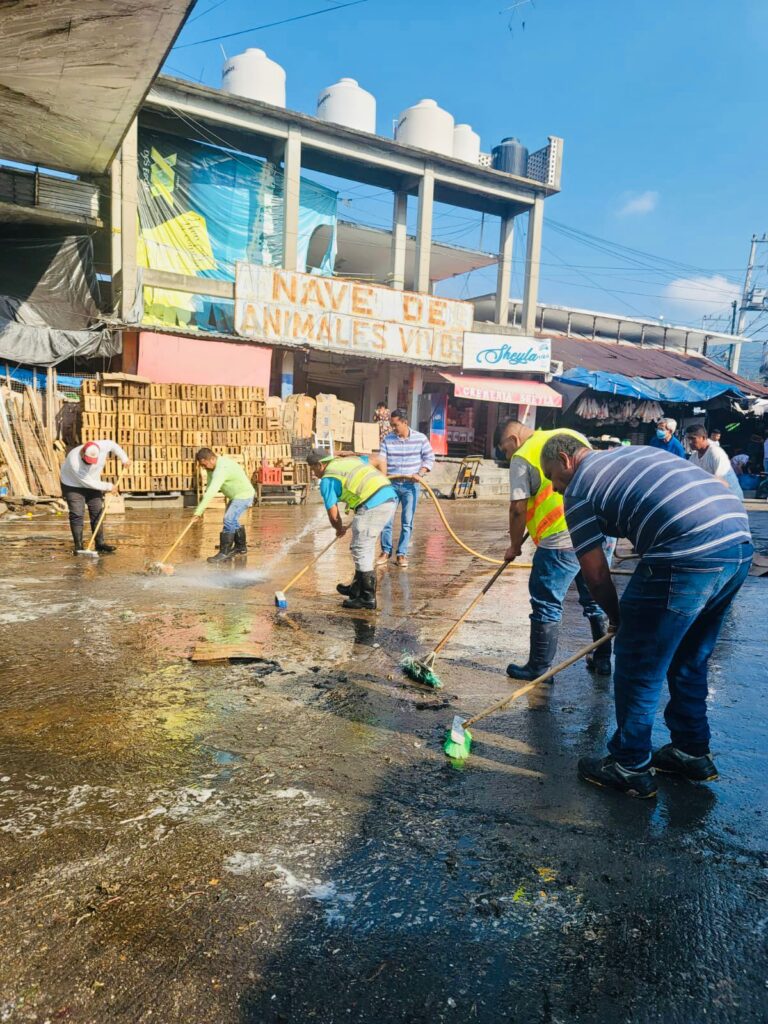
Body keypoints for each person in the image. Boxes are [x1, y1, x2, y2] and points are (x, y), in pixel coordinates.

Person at [541, 433, 752, 799]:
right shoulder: (631, 453)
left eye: (555, 480)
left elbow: (594, 576)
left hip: (688, 550)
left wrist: (618, 618)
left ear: (565, 459)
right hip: (737, 542)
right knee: (690, 656)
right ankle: (690, 751)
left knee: (640, 662)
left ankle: (628, 764)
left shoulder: (579, 489)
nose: (558, 491)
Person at [497, 418, 613, 680]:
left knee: (546, 602)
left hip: (559, 541)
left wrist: (514, 546)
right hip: (595, 528)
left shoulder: (522, 456)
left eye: (505, 449)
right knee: (595, 598)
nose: (507, 455)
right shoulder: (569, 433)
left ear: (513, 440)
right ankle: (603, 660)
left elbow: (518, 508)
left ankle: (539, 669)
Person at [307, 449, 397, 610]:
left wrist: (338, 528)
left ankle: (367, 598)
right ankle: (356, 588)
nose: (314, 473)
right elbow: (379, 459)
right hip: (387, 497)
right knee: (361, 546)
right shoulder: (349, 461)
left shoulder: (328, 479)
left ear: (320, 464)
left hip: (373, 504)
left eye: (313, 469)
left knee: (362, 548)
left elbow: (333, 513)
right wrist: (381, 481)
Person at [377, 408, 434, 569]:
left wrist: (420, 473)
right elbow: (382, 459)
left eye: (395, 425)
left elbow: (429, 458)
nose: (393, 428)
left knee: (407, 521)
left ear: (405, 422)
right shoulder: (388, 439)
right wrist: (382, 477)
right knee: (386, 520)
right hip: (391, 485)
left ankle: (401, 554)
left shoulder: (420, 438)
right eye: (391, 425)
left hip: (411, 486)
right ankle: (385, 551)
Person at [60, 440, 130, 554]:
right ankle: (78, 546)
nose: (90, 464)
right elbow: (87, 482)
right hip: (73, 484)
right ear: (83, 453)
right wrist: (108, 486)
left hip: (93, 482)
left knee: (97, 511)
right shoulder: (74, 460)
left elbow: (113, 445)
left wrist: (124, 458)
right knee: (77, 514)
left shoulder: (102, 446)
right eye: (87, 461)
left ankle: (100, 544)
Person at [194, 448, 255, 563]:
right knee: (233, 520)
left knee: (229, 519)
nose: (204, 467)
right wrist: (201, 508)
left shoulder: (222, 469)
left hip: (244, 495)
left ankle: (224, 552)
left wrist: (199, 511)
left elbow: (212, 491)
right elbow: (209, 487)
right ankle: (240, 548)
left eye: (204, 464)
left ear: (212, 459)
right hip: (235, 496)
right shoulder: (212, 468)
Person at [685, 425, 743, 497]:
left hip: (730, 497)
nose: (690, 442)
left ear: (703, 438)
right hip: (713, 495)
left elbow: (721, 483)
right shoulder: (693, 457)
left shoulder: (716, 453)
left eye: (693, 439)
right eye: (688, 439)